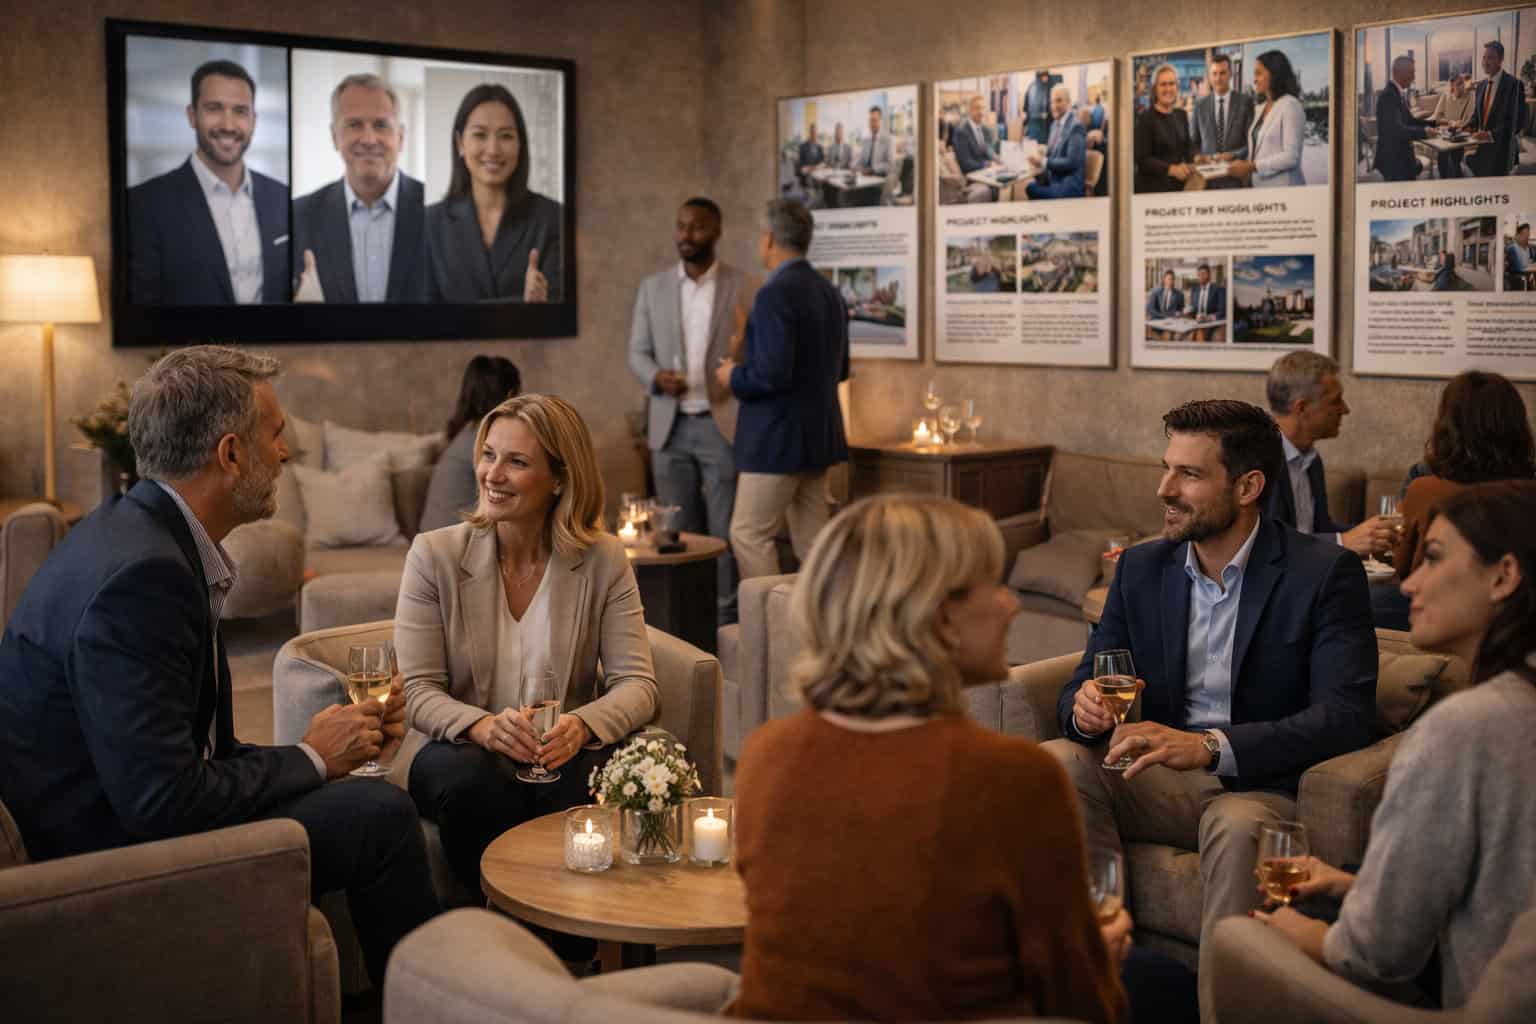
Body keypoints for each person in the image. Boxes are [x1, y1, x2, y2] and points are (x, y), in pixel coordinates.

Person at [0, 346, 440, 986]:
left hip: (121, 819)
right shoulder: (144, 580)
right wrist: (311, 758)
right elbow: (162, 802)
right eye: (276, 434)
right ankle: (440, 1002)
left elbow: (191, 754)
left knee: (354, 798)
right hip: (103, 869)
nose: (285, 453)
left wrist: (322, 752)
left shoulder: (132, 531)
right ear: (230, 454)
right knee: (381, 817)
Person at [730, 493, 1130, 1023]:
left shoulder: (765, 754)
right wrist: (1104, 959)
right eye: (993, 586)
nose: (1010, 605)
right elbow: (1074, 998)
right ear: (941, 618)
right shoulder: (1015, 778)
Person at [1044, 399, 1377, 1024]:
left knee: (1237, 824)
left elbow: (1344, 715)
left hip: (1257, 782)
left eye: (1189, 474)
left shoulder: (1323, 572)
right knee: (1057, 764)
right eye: (1166, 468)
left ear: (1248, 487)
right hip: (1159, 779)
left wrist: (1210, 746)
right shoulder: (1142, 566)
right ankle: (1094, 986)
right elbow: (1084, 681)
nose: (1164, 489)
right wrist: (1084, 710)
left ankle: (1220, 1011)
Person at [1252, 482, 1536, 1012]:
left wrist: (1289, 931)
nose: (1408, 583)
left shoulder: (1463, 728)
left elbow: (1377, 954)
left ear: (1504, 576)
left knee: (1243, 937)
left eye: (1433, 558)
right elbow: (1502, 886)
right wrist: (1354, 884)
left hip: (1477, 1007)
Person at [395, 393, 659, 895]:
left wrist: (582, 725)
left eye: (516, 462)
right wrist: (482, 726)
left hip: (557, 752)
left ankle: (567, 928)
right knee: (474, 782)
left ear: (559, 478)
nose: (492, 475)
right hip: (460, 752)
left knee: (583, 779)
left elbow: (638, 684)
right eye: (488, 455)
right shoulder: (433, 555)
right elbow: (417, 691)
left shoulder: (603, 559)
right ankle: (495, 923)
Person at [627, 197, 755, 624]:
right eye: (681, 226)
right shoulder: (653, 287)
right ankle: (684, 621)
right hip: (670, 424)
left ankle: (724, 621)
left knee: (723, 532)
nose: (686, 235)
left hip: (723, 423)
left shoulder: (744, 286)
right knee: (675, 534)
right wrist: (655, 377)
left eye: (697, 227)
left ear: (716, 231)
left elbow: (754, 353)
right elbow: (637, 352)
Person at [713, 199, 849, 580]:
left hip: (775, 443)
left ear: (769, 238)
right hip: (817, 439)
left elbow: (770, 375)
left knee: (748, 535)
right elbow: (841, 370)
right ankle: (824, 618)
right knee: (815, 546)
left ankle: (772, 616)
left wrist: (732, 375)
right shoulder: (830, 292)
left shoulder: (774, 294)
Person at [128, 60, 289, 305]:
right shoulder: (143, 204)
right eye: (214, 109)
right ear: (192, 116)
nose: (228, 125)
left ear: (254, 120)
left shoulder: (282, 198)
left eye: (240, 111)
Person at [292, 73, 428, 303]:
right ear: (334, 136)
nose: (369, 139)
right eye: (354, 125)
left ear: (401, 137)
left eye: (381, 125)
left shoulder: (440, 212)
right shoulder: (298, 217)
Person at [425, 84, 561, 303]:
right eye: (480, 135)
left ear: (520, 144)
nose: (493, 150)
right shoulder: (428, 224)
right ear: (460, 143)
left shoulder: (553, 218)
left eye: (506, 136)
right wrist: (522, 303)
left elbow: (561, 307)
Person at [1392, 371, 1536, 576]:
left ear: (1446, 426)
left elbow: (1399, 566)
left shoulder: (1423, 489)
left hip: (1436, 593)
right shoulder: (1528, 495)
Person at [1264, 350, 1397, 558]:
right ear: (1302, 407)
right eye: (1336, 401)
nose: (1345, 409)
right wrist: (1343, 541)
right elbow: (1268, 544)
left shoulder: (1311, 459)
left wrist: (1373, 533)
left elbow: (1318, 530)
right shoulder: (1261, 460)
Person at [419, 354, 522, 533]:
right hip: (456, 536)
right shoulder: (490, 437)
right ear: (511, 394)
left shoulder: (466, 432)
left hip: (434, 533)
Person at [1229, 50, 1306, 188]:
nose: (1254, 80)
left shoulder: (1290, 105)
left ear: (1274, 74)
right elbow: (1257, 149)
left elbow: (1291, 156)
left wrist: (1251, 167)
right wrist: (1239, 162)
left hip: (1285, 188)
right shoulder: (1260, 108)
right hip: (1260, 188)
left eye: (1259, 73)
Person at [1190, 54, 1254, 193]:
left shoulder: (1245, 102)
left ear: (1230, 74)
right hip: (1207, 182)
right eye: (1214, 73)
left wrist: (1233, 155)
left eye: (1223, 73)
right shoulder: (1200, 105)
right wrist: (1198, 156)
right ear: (1209, 76)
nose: (1218, 78)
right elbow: (1193, 143)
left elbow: (1251, 143)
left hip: (1236, 180)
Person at [1373, 56, 1439, 182]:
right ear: (1400, 73)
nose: (1414, 77)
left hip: (1400, 158)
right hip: (1395, 162)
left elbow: (1410, 121)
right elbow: (1397, 131)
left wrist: (1435, 123)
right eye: (1411, 72)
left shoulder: (1396, 93)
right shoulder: (1389, 95)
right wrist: (1424, 132)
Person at [1467, 41, 1525, 177]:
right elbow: (1476, 117)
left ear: (1500, 59)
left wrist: (1490, 135)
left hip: (1502, 151)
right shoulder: (1481, 86)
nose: (1485, 62)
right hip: (1482, 149)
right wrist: (1464, 127)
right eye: (1484, 57)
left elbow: (1517, 123)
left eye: (1490, 58)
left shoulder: (1514, 84)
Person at [1135, 63, 1195, 193]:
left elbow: (1187, 147)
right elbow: (1142, 159)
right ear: (1155, 89)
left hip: (1179, 188)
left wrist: (1198, 158)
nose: (1168, 89)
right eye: (1163, 84)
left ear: (1177, 86)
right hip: (1152, 190)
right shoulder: (1145, 119)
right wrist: (1171, 170)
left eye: (1172, 84)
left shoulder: (1181, 115)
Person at [1026, 85, 1088, 199]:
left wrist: (1043, 161)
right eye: (1052, 102)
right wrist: (1042, 153)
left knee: (1032, 189)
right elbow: (1052, 155)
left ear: (1068, 102)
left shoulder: (1076, 126)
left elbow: (1072, 162)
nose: (1054, 106)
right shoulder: (1054, 125)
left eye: (1059, 101)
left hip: (1068, 185)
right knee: (1030, 186)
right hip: (1054, 179)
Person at [1431, 73, 1475, 178]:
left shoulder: (1470, 97)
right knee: (1442, 157)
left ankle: (1456, 176)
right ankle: (1444, 178)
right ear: (1452, 86)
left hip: (1460, 133)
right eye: (1458, 84)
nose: (1462, 86)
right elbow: (1437, 116)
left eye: (1462, 83)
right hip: (1445, 132)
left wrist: (1459, 124)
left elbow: (1470, 118)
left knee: (1455, 160)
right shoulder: (1446, 96)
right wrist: (1448, 122)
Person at [952, 95, 998, 175]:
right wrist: (987, 165)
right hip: (972, 176)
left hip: (989, 173)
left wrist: (999, 160)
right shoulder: (961, 132)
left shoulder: (986, 130)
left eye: (983, 108)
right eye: (977, 108)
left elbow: (989, 152)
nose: (981, 112)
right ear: (970, 110)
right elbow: (965, 163)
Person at [1188, 263, 1225, 340]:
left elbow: (1222, 311)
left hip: (1211, 323)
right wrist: (1187, 312)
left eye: (1203, 274)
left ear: (1209, 275)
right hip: (1196, 322)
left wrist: (1208, 317)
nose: (1201, 276)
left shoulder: (1219, 289)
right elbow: (1193, 308)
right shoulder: (1194, 290)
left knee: (1199, 333)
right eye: (1199, 274)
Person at [1146, 269, 1184, 338]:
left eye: (1172, 279)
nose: (1171, 282)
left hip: (1172, 323)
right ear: (1164, 280)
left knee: (1169, 334)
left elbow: (1180, 310)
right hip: (1157, 321)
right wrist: (1166, 316)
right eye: (1169, 279)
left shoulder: (1179, 294)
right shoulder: (1156, 292)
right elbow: (1151, 309)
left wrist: (1179, 313)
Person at [856, 105, 893, 176]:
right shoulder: (866, 140)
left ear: (880, 121)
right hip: (864, 177)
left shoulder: (888, 139)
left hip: (879, 177)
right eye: (870, 121)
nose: (872, 124)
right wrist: (855, 167)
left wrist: (873, 169)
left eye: (874, 120)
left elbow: (890, 165)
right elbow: (861, 160)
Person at [1024, 69, 1054, 144]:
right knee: (1035, 144)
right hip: (1035, 122)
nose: (1045, 78)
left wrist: (1048, 113)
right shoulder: (1032, 86)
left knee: (1041, 144)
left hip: (1044, 122)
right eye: (1044, 76)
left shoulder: (1048, 87)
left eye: (1046, 76)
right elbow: (1026, 106)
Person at [1506, 222, 1534, 290]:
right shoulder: (1512, 249)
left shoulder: (1530, 249)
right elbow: (1517, 267)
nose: (1527, 236)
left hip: (1528, 281)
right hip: (1516, 282)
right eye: (1524, 234)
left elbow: (1531, 262)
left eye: (1528, 234)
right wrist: (1532, 268)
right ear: (1518, 235)